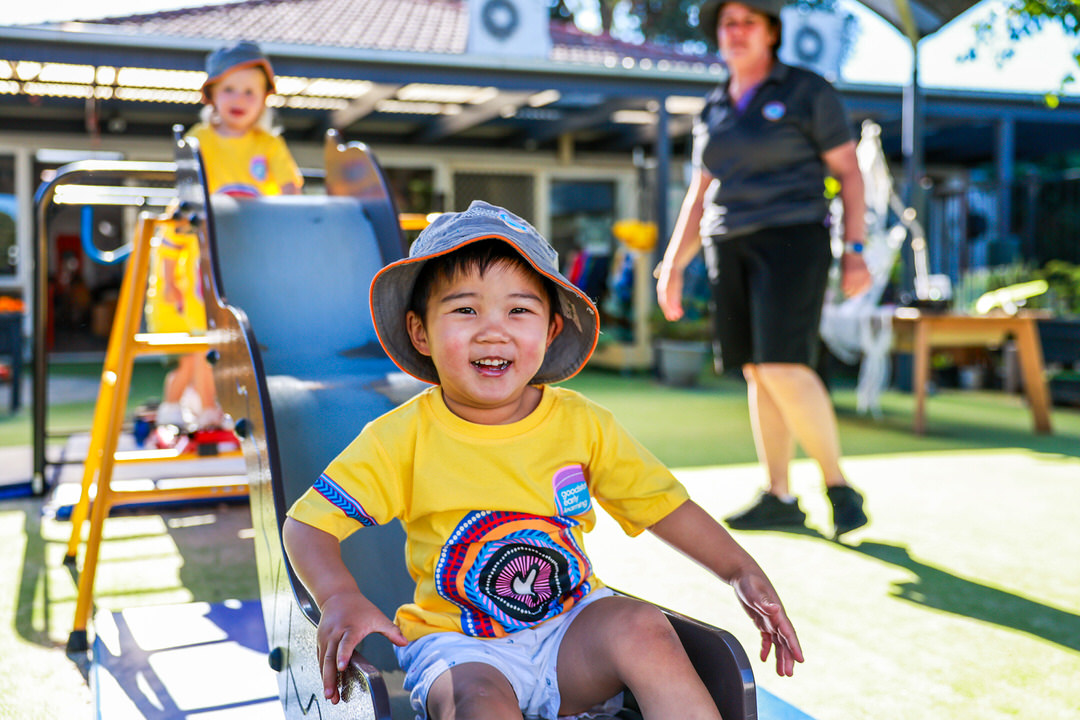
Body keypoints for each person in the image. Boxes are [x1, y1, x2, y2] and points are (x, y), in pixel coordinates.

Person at [283, 201, 804, 720]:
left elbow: (661, 506)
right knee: (479, 705)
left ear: (551, 329)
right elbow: (306, 525)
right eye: (465, 309)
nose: (493, 330)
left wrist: (740, 571)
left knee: (643, 627)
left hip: (570, 632)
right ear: (421, 332)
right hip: (460, 649)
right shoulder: (401, 437)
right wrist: (338, 596)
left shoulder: (582, 423)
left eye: (519, 310)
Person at [655, 0, 872, 539]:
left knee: (781, 364)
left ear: (771, 32)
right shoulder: (713, 108)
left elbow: (848, 173)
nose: (736, 32)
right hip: (727, 243)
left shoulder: (806, 90)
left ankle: (839, 487)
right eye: (728, 23)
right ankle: (779, 495)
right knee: (755, 368)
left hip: (793, 236)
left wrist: (856, 248)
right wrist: (672, 266)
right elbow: (699, 193)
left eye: (748, 21)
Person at [146, 41, 302, 430]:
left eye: (250, 90)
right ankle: (208, 409)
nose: (239, 99)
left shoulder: (268, 145)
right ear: (211, 94)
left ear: (265, 99)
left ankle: (240, 408)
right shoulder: (200, 140)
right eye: (229, 88)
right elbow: (186, 204)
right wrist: (168, 280)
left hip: (249, 258)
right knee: (206, 343)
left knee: (244, 337)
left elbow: (288, 189)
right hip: (203, 258)